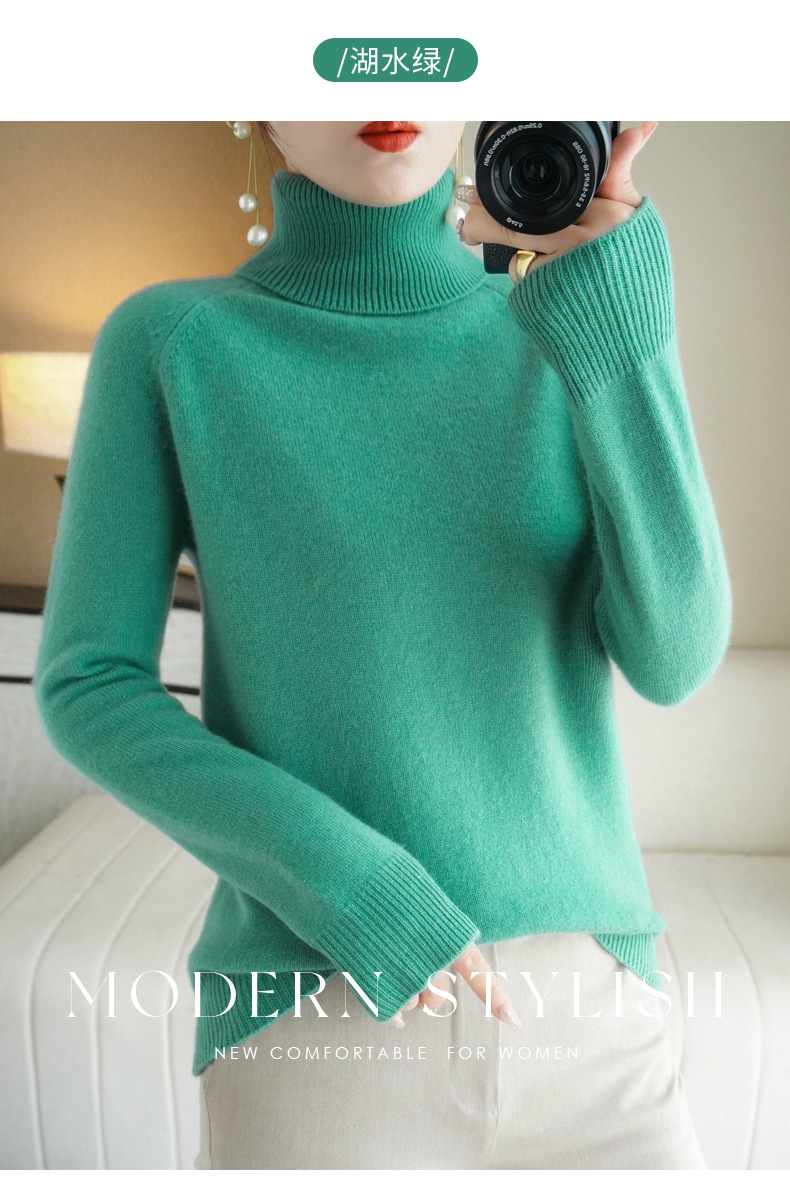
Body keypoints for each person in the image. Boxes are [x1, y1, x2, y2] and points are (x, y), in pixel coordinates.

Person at [33, 120, 731, 1169]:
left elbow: (674, 655)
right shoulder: (175, 342)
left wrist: (621, 326)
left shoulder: (561, 331)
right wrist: (348, 883)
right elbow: (89, 683)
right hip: (319, 1006)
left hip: (592, 1018)